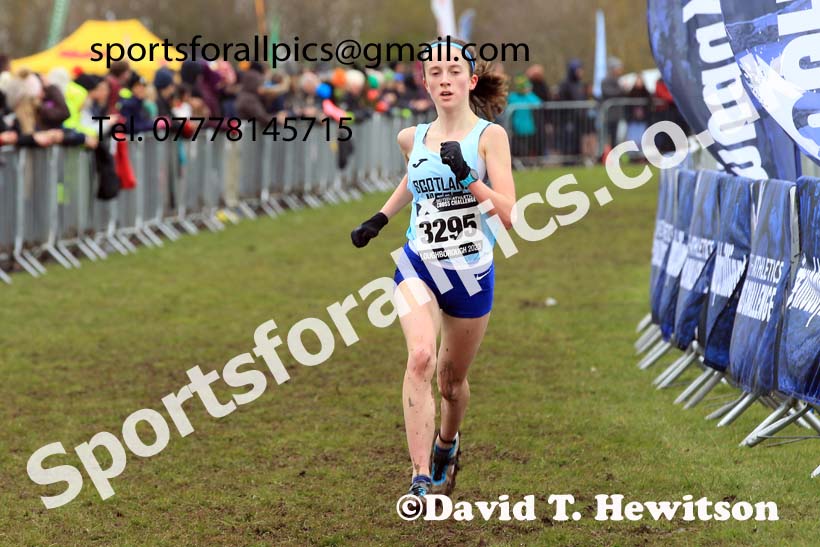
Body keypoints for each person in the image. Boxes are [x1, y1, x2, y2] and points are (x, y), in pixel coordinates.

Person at [349, 38, 515, 508]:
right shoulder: (412, 137)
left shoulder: (489, 138)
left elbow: (509, 215)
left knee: (451, 382)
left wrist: (469, 177)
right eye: (435, 73)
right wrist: (379, 219)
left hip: (469, 274)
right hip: (419, 263)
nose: (444, 80)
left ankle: (447, 442)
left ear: (471, 80)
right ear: (424, 82)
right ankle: (420, 475)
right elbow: (414, 178)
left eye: (453, 72)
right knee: (420, 356)